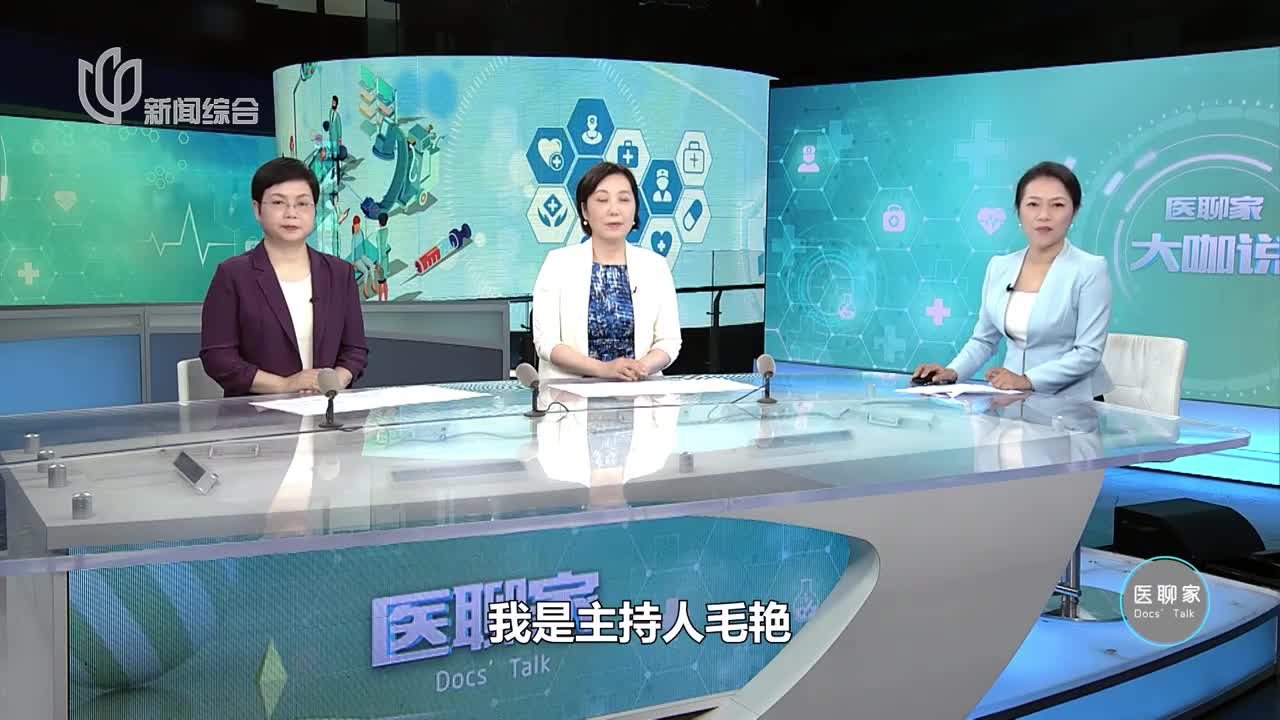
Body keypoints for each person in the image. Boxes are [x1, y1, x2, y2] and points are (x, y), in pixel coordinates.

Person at [911, 161, 1113, 401]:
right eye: (1033, 204)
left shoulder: (1090, 269)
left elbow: (1088, 353)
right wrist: (952, 372)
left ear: (1074, 212)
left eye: (1057, 205)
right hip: (1014, 397)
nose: (1044, 215)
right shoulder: (1000, 267)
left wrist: (1027, 380)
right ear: (1019, 211)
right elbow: (984, 340)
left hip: (1074, 401)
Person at [200, 157, 368, 397]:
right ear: (257, 209)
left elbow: (355, 351)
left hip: (326, 409)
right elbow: (218, 358)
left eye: (302, 203)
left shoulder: (340, 273)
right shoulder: (233, 275)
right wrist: (284, 385)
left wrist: (331, 383)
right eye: (278, 202)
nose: (291, 213)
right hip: (257, 413)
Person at [532, 161, 682, 381]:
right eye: (602, 200)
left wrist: (638, 368)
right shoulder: (558, 264)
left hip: (640, 391)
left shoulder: (655, 266)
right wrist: (604, 369)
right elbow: (547, 342)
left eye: (624, 199)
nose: (614, 210)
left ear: (635, 209)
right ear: (584, 210)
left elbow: (669, 341)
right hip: (570, 395)